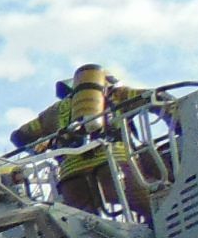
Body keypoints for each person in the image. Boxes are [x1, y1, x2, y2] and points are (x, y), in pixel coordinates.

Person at [11, 63, 156, 219]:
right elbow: (156, 97)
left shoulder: (55, 111)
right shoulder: (117, 94)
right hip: (113, 163)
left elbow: (20, 135)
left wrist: (41, 147)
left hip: (71, 176)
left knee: (86, 230)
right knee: (152, 208)